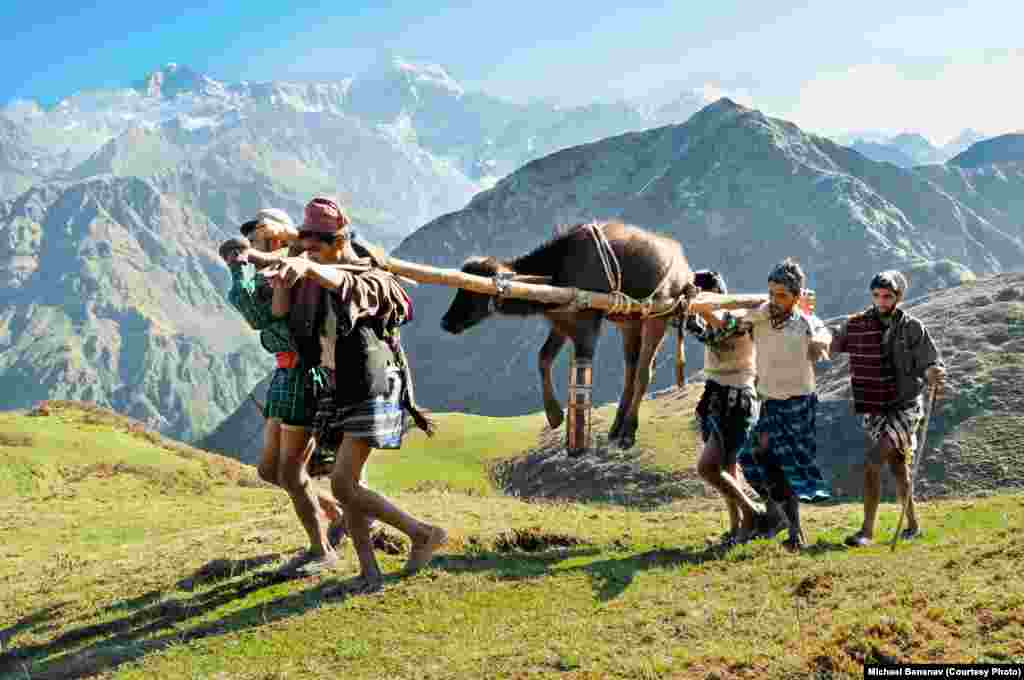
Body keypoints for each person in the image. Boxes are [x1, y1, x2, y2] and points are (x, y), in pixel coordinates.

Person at [266, 196, 444, 591]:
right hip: (336, 386)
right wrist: (286, 274)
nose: (310, 249)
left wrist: (307, 266)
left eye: (318, 242)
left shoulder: (370, 275)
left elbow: (346, 284)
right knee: (351, 486)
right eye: (305, 240)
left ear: (339, 239)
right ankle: (369, 572)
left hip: (370, 385)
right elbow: (283, 314)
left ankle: (422, 534)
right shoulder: (312, 275)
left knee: (344, 485)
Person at [219, 208, 347, 575]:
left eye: (254, 242)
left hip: (302, 377)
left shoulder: (289, 273)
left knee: (290, 474)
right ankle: (335, 513)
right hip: (284, 374)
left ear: (273, 241)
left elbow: (254, 314)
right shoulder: (280, 272)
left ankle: (321, 549)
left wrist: (236, 265)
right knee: (268, 471)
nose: (250, 250)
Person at [692, 258, 832, 551]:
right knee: (753, 460)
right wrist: (702, 308)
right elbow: (729, 326)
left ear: (796, 296)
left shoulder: (804, 320)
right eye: (771, 293)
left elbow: (821, 331)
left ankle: (795, 531)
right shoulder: (761, 315)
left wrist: (819, 342)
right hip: (767, 401)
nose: (774, 300)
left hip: (798, 403)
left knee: (786, 465)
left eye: (782, 295)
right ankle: (771, 516)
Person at [828, 271, 946, 547]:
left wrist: (933, 372)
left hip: (905, 407)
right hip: (875, 407)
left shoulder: (912, 328)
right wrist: (813, 327)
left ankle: (866, 532)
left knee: (872, 461)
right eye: (877, 296)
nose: (881, 301)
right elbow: (834, 345)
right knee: (897, 466)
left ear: (898, 297)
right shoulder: (856, 325)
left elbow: (931, 361)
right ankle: (913, 526)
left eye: (888, 296)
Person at [686, 271, 765, 544]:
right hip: (716, 396)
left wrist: (696, 304)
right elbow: (703, 330)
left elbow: (720, 324)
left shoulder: (741, 317)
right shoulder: (708, 321)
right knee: (727, 467)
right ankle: (737, 529)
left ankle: (752, 513)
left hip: (737, 399)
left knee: (708, 468)